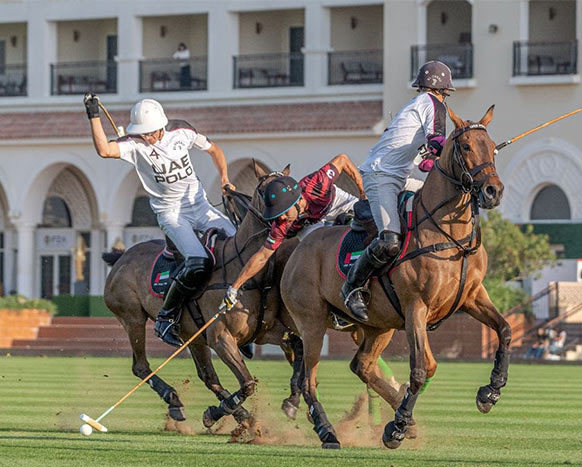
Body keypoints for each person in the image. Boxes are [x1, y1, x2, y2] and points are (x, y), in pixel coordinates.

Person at [83, 93, 236, 347]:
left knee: (236, 246)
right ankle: (166, 318)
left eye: (150, 133)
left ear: (161, 126)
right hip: (171, 213)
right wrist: (94, 116)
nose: (147, 137)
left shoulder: (182, 131)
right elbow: (104, 149)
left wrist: (224, 178)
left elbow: (214, 150)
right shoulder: (136, 145)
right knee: (198, 261)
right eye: (142, 133)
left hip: (200, 205)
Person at [340, 60, 453, 322]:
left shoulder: (417, 105)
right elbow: (436, 140)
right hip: (380, 176)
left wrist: (430, 162)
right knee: (389, 240)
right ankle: (352, 287)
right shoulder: (433, 104)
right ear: (446, 89)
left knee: (437, 197)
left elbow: (424, 154)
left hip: (401, 176)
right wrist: (456, 148)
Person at [221, 154, 366, 312]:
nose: (281, 217)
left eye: (283, 212)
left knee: (369, 219)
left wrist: (363, 192)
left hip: (336, 203)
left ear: (297, 201)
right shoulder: (283, 223)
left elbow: (342, 159)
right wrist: (234, 288)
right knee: (318, 250)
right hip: (310, 224)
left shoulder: (316, 183)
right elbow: (262, 256)